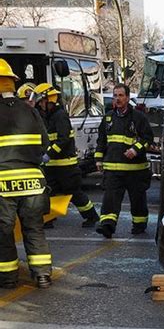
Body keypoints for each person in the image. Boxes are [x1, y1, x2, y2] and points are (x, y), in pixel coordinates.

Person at [0, 59, 52, 289]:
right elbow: (45, 144)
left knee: (3, 231)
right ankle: (42, 275)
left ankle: (8, 277)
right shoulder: (30, 111)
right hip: (33, 181)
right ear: (12, 83)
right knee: (34, 228)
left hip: (3, 182)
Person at [31, 83, 99, 228]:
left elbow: (63, 139)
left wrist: (49, 153)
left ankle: (92, 216)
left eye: (42, 101)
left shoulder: (60, 116)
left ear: (50, 100)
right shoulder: (47, 117)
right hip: (51, 165)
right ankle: (48, 219)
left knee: (74, 192)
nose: (40, 104)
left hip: (65, 165)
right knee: (50, 192)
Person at [94, 83, 154, 238]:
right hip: (113, 169)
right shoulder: (108, 118)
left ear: (127, 98)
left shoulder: (138, 118)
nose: (117, 99)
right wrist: (99, 160)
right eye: (115, 95)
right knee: (110, 199)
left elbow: (148, 138)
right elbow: (101, 140)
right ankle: (107, 225)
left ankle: (139, 225)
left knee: (138, 200)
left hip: (135, 170)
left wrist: (135, 150)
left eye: (120, 95)